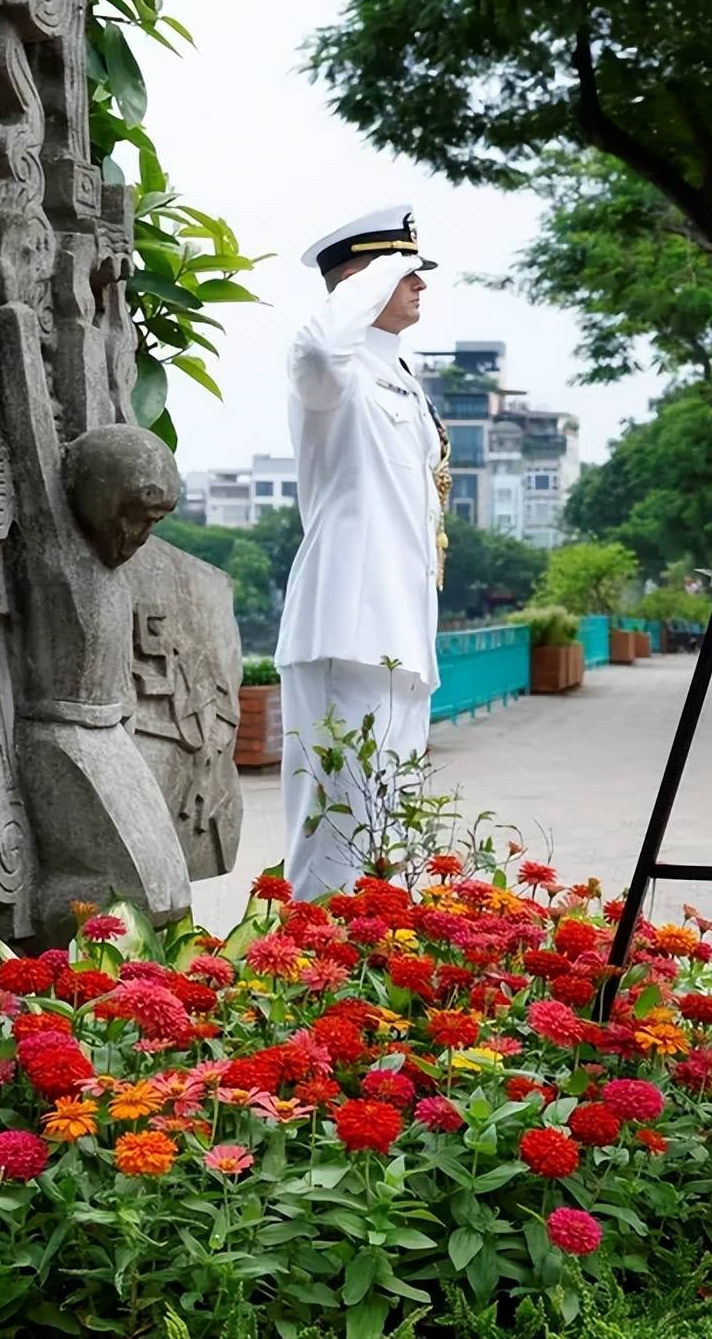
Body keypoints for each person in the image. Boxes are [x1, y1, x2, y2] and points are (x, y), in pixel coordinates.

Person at [275, 205, 449, 901]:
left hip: (405, 629)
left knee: (389, 832)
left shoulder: (399, 374)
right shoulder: (335, 374)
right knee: (336, 823)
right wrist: (366, 282)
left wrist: (382, 274)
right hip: (346, 624)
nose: (420, 285)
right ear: (361, 281)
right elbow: (318, 351)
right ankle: (312, 970)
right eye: (405, 271)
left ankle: (372, 972)